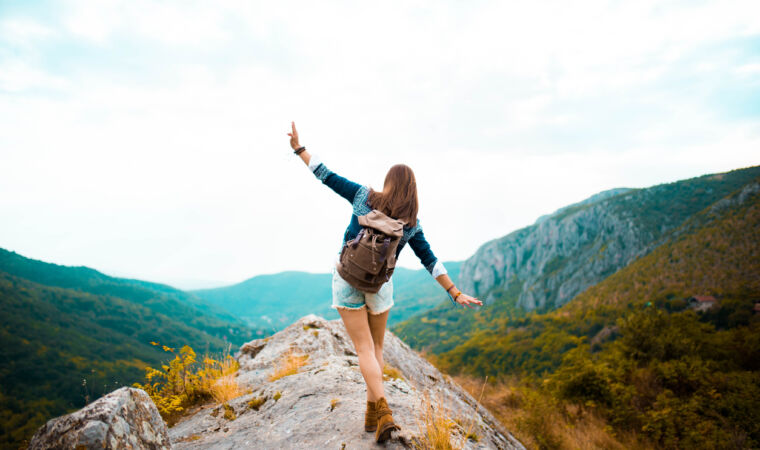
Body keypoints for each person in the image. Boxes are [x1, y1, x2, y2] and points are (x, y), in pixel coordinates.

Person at [286, 121, 482, 443]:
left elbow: (325, 174)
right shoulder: (411, 225)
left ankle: (383, 412)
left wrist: (298, 148)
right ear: (412, 189)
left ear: (389, 182)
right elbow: (430, 261)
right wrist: (454, 291)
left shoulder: (364, 196)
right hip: (380, 287)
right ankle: (372, 413)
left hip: (347, 279)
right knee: (376, 348)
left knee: (363, 349)